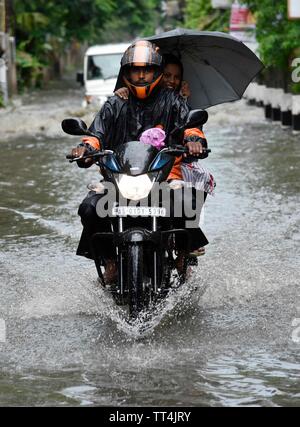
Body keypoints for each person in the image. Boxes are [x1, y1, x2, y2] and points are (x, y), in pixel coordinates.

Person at [69, 40, 208, 282]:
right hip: (119, 181)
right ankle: (109, 260)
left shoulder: (173, 101)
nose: (141, 75)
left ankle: (184, 255)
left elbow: (190, 128)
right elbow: (96, 135)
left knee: (189, 200)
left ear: (157, 73)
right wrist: (84, 148)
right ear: (126, 73)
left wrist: (195, 141)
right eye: (136, 70)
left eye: (147, 70)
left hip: (160, 180)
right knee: (90, 208)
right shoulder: (115, 103)